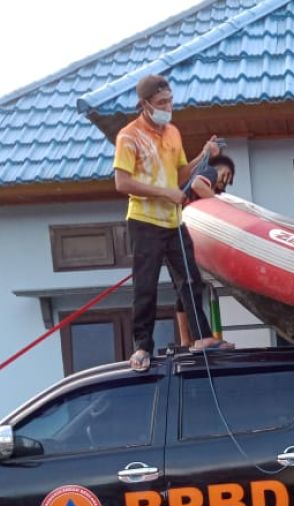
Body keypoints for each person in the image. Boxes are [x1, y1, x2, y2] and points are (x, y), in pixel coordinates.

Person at [113, 74, 231, 370]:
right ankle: (142, 347)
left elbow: (179, 176)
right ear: (144, 104)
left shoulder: (173, 133)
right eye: (161, 102)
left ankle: (203, 336)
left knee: (190, 278)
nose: (168, 107)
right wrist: (163, 192)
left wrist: (204, 155)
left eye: (170, 101)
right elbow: (122, 182)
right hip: (143, 221)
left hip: (173, 220)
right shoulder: (128, 136)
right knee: (146, 286)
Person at [174, 154, 236, 347]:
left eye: (229, 180)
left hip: (170, 234)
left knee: (183, 289)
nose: (225, 181)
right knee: (191, 285)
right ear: (218, 169)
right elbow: (197, 186)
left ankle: (185, 340)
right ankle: (203, 338)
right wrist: (223, 205)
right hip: (178, 234)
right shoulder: (207, 172)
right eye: (226, 174)